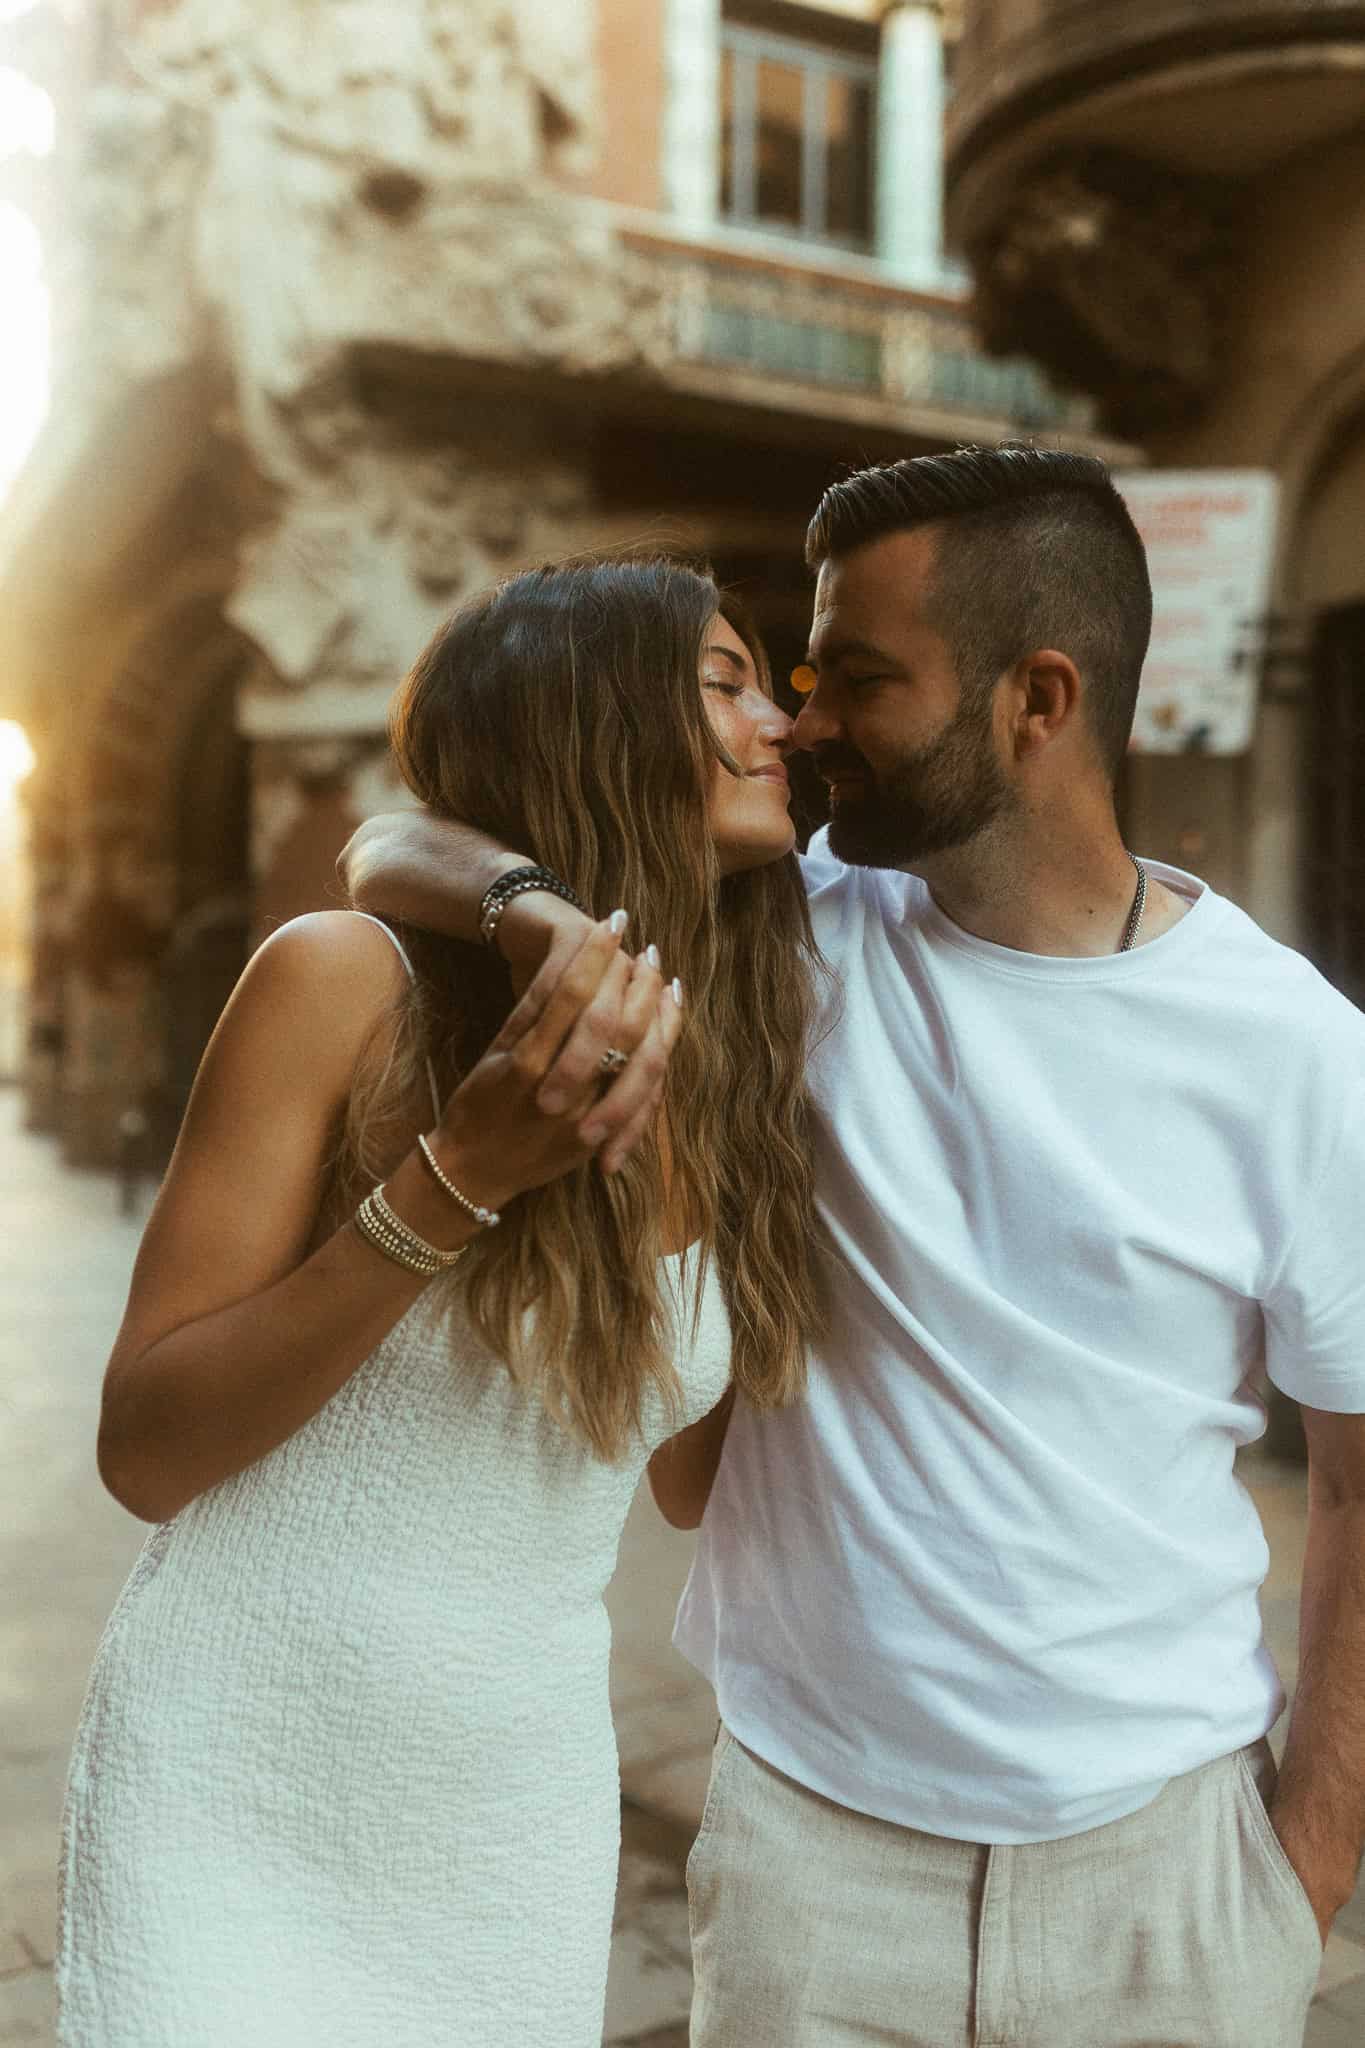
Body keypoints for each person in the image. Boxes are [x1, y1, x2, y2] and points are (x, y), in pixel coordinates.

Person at [341, 445, 1365, 2048]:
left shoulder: (1295, 1052)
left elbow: (1359, 1482)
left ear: (1038, 701)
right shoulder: (784, 926)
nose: (803, 725)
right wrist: (538, 909)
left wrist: (1296, 1876)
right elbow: (392, 846)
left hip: (1166, 1879)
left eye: (860, 680)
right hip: (811, 1862)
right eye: (798, 677)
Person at [55, 556, 829, 2048]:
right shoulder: (346, 983)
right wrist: (456, 1176)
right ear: (583, 720)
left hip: (510, 1804)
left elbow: (675, 1484)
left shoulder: (734, 1073)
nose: (775, 725)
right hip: (237, 1762)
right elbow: (145, 1449)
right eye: (724, 683)